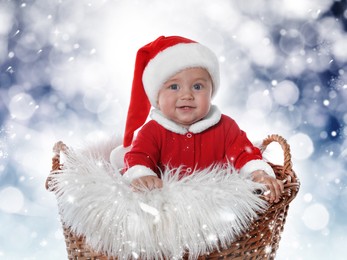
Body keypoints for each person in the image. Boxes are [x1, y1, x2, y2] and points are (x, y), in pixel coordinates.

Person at [110, 35, 284, 203]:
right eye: (174, 86)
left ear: (211, 91)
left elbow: (244, 154)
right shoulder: (152, 131)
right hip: (169, 210)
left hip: (218, 208)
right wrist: (142, 175)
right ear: (157, 96)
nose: (186, 95)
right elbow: (139, 156)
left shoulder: (225, 127)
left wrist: (258, 173)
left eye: (197, 86)